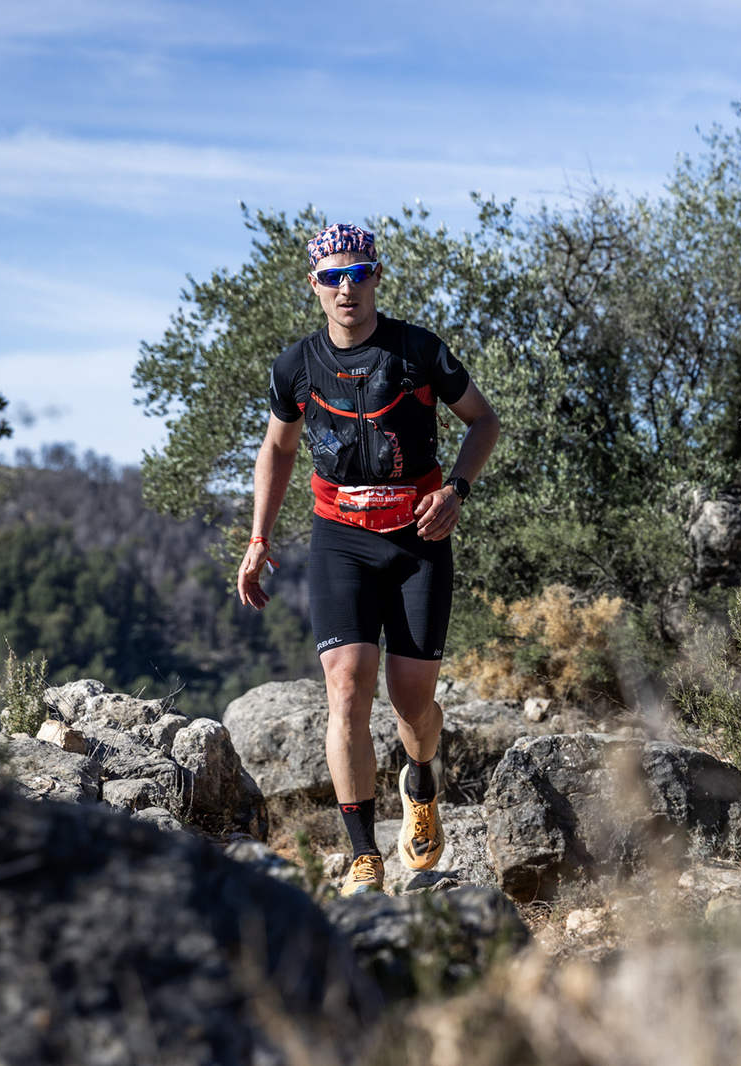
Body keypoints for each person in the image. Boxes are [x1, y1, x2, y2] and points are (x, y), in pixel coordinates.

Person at [235, 222, 500, 896]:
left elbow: (484, 420)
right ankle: (364, 858)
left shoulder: (417, 351)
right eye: (332, 277)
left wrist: (456, 491)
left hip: (419, 539)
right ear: (314, 285)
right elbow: (278, 449)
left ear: (377, 276)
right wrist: (259, 538)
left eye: (358, 274)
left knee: (413, 701)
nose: (346, 288)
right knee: (347, 686)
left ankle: (422, 779)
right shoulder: (296, 367)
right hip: (340, 539)